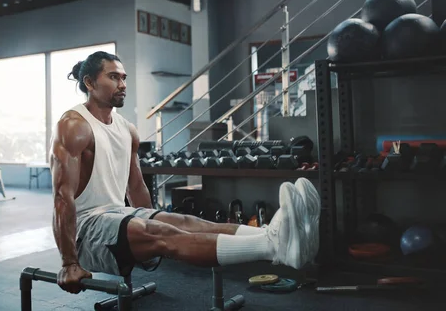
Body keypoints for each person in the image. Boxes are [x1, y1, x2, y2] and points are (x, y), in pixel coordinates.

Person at [50, 51, 321, 294]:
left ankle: (274, 235)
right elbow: (63, 198)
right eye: (113, 77)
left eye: (123, 77)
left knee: (190, 223)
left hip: (118, 214)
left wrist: (150, 221)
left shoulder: (126, 128)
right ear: (89, 83)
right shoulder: (74, 125)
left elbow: (136, 187)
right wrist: (69, 262)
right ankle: (275, 245)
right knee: (161, 232)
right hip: (85, 230)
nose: (122, 84)